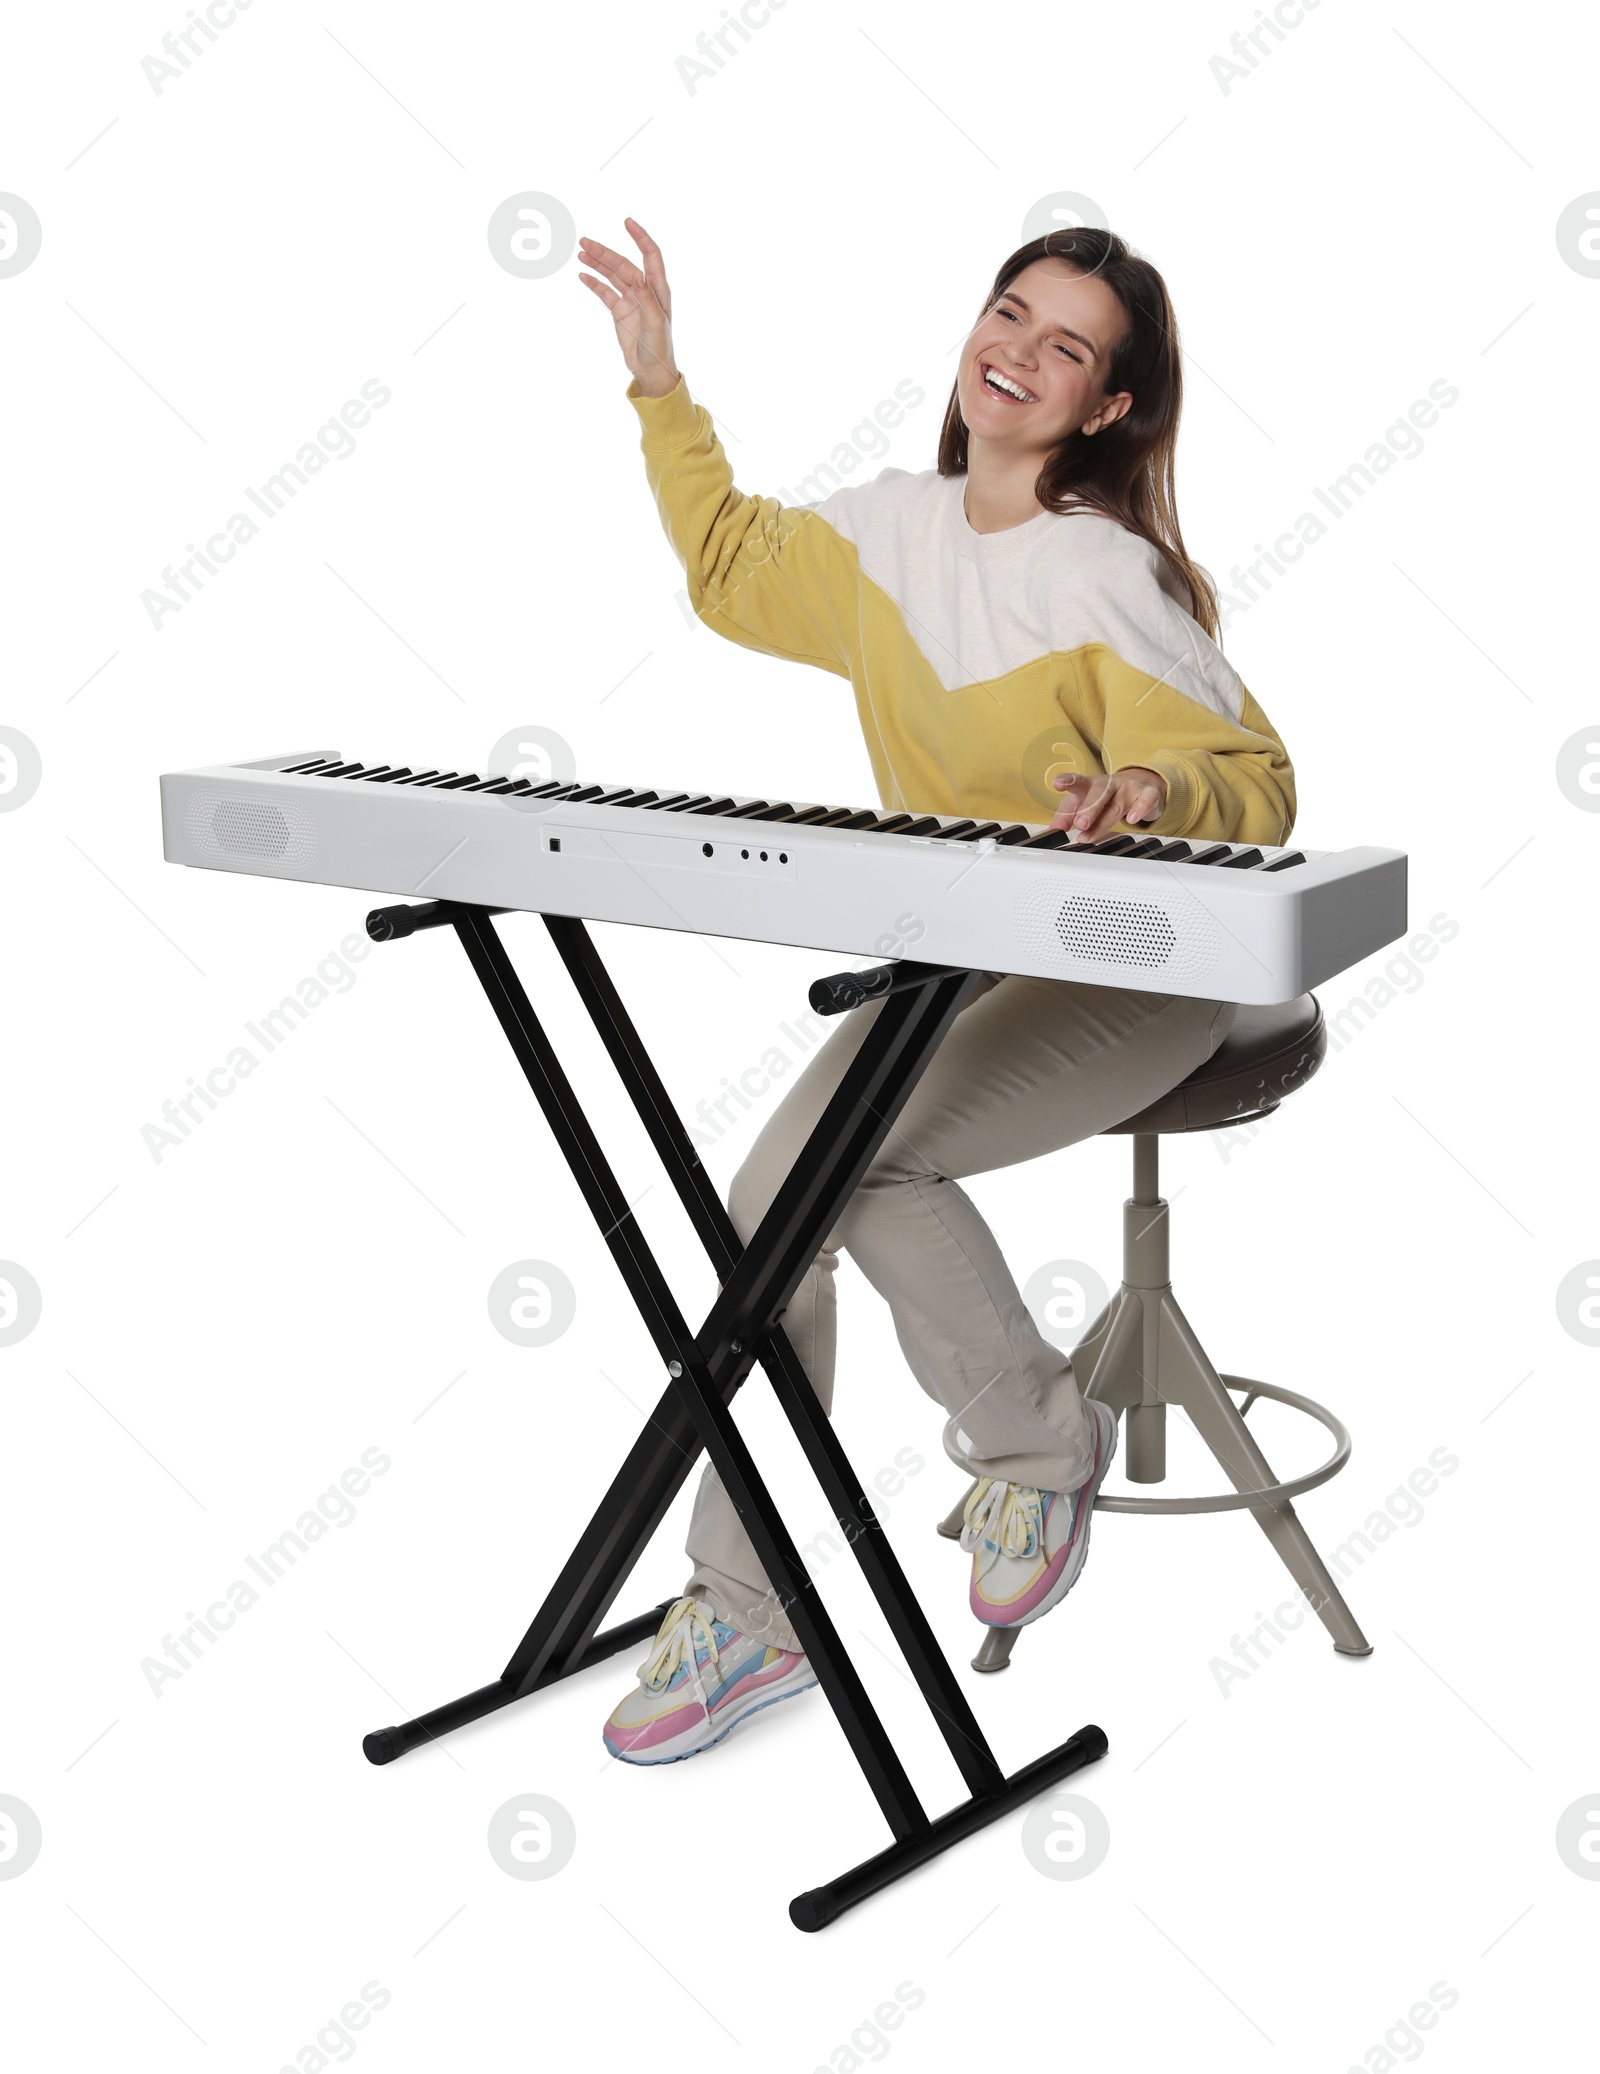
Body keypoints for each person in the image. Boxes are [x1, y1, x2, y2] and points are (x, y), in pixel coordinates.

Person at [576, 217, 1295, 1766]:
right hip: (957, 976)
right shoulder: (887, 535)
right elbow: (727, 568)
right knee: (777, 1201)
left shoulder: (1105, 571)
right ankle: (755, 1617)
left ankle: (1033, 1446)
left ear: (1107, 408)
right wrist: (658, 383)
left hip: (1134, 968)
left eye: (1066, 349)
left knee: (835, 1172)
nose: (1017, 359)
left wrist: (1157, 786)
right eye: (1009, 316)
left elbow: (1261, 778)